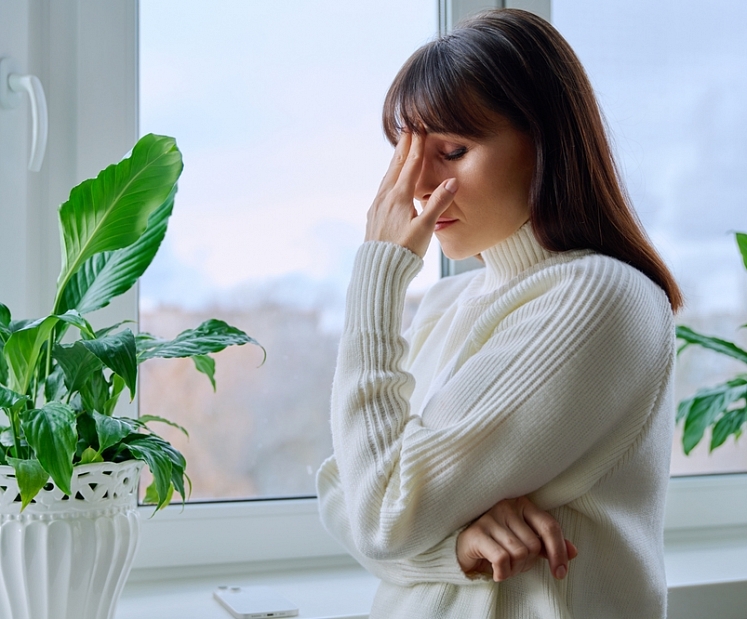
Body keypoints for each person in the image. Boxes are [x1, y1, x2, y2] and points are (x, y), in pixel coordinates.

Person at [316, 8, 681, 618]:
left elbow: (379, 515)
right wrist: (453, 548)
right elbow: (341, 493)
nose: (418, 186)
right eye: (407, 152)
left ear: (545, 144)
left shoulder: (599, 296)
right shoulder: (446, 302)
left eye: (453, 150)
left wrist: (377, 275)